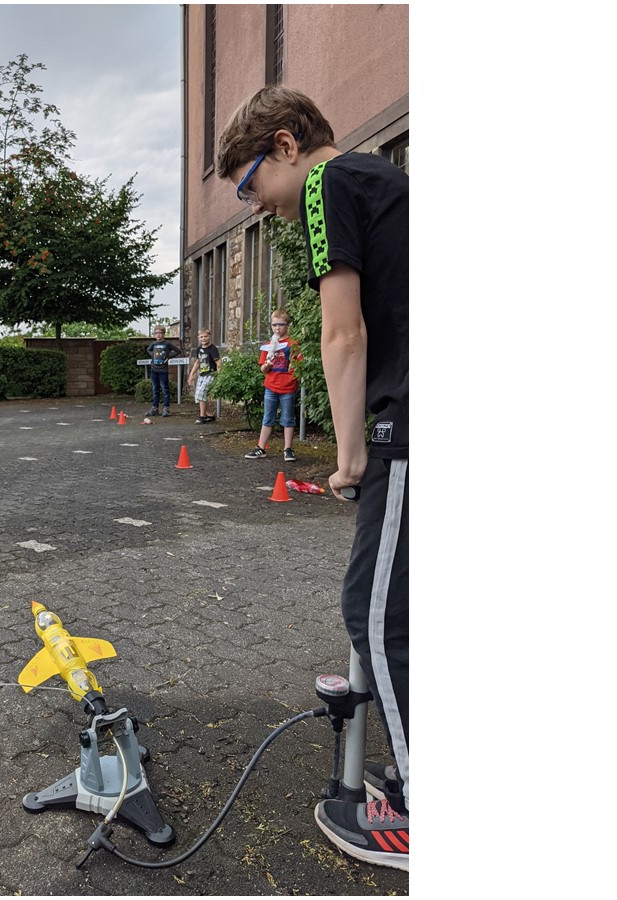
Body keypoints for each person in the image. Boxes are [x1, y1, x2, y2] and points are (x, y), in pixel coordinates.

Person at [217, 84, 409, 872]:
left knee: (374, 615)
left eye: (249, 182)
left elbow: (342, 329)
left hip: (411, 425)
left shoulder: (333, 183)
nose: (255, 205)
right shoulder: (388, 184)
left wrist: (353, 455)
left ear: (287, 146)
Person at [242, 309, 302, 463]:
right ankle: (261, 448)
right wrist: (267, 366)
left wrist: (293, 375)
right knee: (267, 418)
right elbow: (263, 369)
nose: (277, 328)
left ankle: (288, 449)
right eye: (274, 325)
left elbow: (299, 365)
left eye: (281, 325)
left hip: (287, 387)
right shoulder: (268, 345)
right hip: (271, 386)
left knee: (288, 419)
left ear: (287, 326)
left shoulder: (292, 344)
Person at [145, 325, 181, 416]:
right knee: (155, 389)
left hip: (163, 371)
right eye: (156, 333)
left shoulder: (167, 344)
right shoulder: (153, 344)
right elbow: (148, 350)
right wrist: (152, 355)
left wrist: (168, 357)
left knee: (165, 389)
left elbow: (177, 351)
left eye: (160, 333)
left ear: (163, 334)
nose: (158, 335)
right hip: (154, 370)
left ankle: (166, 409)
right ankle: (154, 409)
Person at [187, 328, 220, 423]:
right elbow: (198, 362)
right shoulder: (199, 349)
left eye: (205, 336)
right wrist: (191, 375)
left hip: (211, 374)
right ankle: (209, 415)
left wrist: (219, 375)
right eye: (201, 337)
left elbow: (218, 362)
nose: (203, 339)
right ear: (198, 338)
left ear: (209, 336)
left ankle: (202, 417)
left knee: (202, 393)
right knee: (198, 396)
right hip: (202, 374)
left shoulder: (213, 349)